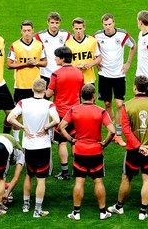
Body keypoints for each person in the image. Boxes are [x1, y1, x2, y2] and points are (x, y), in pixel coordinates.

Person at [108, 75, 148, 221]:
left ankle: (119, 207)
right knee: (147, 178)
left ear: (134, 88)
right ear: (147, 88)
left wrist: (138, 146)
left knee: (126, 177)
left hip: (133, 149)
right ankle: (143, 211)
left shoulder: (127, 106)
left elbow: (126, 129)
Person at [59, 83, 115, 221]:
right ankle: (102, 212)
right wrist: (105, 143)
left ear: (81, 96)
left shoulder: (73, 110)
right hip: (96, 151)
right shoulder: (101, 111)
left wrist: (71, 140)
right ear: (94, 96)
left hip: (80, 150)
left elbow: (61, 127)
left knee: (79, 181)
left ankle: (76, 213)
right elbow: (112, 131)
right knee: (98, 181)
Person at [7, 78, 60, 218]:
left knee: (29, 175)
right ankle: (37, 210)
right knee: (41, 179)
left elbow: (10, 118)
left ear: (32, 89)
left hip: (28, 145)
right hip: (43, 145)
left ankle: (26, 205)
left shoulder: (23, 103)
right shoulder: (49, 105)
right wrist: (47, 128)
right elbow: (57, 120)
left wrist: (23, 127)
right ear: (45, 90)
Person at [94, 13, 136, 147]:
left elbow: (133, 45)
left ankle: (118, 135)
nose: (107, 27)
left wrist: (128, 63)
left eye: (110, 24)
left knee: (119, 105)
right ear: (103, 24)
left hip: (119, 75)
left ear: (114, 23)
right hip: (104, 75)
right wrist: (96, 62)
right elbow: (92, 49)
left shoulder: (122, 35)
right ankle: (111, 129)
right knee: (107, 104)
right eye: (105, 25)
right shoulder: (97, 36)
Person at [45, 46, 84, 180]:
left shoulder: (56, 74)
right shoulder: (79, 73)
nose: (55, 58)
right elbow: (81, 91)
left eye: (56, 56)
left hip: (61, 112)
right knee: (74, 141)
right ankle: (79, 169)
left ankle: (65, 172)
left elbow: (49, 93)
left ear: (62, 59)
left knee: (62, 142)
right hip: (76, 111)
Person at [7, 20, 47, 141]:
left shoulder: (39, 45)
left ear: (33, 30)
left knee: (39, 112)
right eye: (24, 31)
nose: (27, 33)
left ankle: (39, 135)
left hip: (36, 86)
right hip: (20, 85)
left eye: (29, 30)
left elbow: (45, 62)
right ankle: (16, 139)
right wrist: (25, 64)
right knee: (18, 114)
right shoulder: (15, 45)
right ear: (21, 31)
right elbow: (9, 65)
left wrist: (36, 63)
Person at [34, 12, 71, 87]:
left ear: (59, 23)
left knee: (61, 97)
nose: (54, 25)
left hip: (61, 73)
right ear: (48, 22)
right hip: (45, 73)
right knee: (44, 97)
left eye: (56, 23)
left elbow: (76, 45)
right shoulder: (40, 36)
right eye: (52, 22)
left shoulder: (66, 35)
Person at [65, 17, 102, 84]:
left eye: (80, 29)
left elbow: (99, 57)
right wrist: (74, 67)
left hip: (89, 79)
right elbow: (63, 62)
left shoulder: (92, 41)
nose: (78, 31)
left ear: (84, 28)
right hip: (74, 78)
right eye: (76, 29)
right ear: (73, 28)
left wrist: (90, 64)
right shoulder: (67, 43)